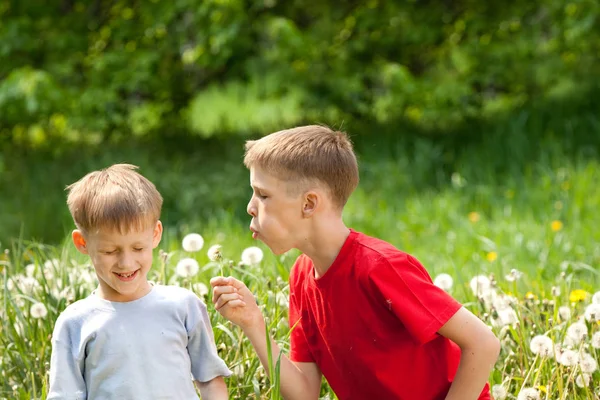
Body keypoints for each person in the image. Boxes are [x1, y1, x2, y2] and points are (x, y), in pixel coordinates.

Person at [211, 125, 500, 400]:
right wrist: (253, 323)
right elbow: (303, 392)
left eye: (263, 195)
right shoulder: (302, 275)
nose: (250, 206)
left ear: (309, 204)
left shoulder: (380, 267)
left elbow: (483, 343)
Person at [48, 164, 231, 400]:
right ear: (82, 243)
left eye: (138, 248)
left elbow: (210, 380)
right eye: (110, 251)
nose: (126, 262)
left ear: (155, 234)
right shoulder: (75, 323)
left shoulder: (183, 306)